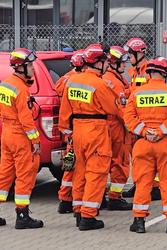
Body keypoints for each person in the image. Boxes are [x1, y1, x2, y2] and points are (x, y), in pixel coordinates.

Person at [58, 44, 120, 231]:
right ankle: (88, 217)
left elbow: (64, 114)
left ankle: (78, 210)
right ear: (98, 64)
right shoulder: (99, 84)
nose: (107, 66)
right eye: (105, 63)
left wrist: (68, 134)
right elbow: (113, 109)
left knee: (79, 173)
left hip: (78, 132)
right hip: (96, 131)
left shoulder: (73, 82)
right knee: (96, 173)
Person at [124, 56, 167, 234]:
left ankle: (139, 221)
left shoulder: (136, 93)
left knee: (143, 183)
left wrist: (145, 132)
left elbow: (129, 119)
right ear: (165, 73)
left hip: (143, 144)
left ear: (148, 73)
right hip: (166, 143)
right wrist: (159, 132)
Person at [0, 48, 43, 229]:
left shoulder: (5, 84)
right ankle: (22, 216)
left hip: (7, 134)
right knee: (25, 175)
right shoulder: (21, 89)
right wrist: (35, 141)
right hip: (20, 135)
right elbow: (26, 119)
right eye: (30, 65)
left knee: (4, 174)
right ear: (21, 67)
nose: (33, 68)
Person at [122, 37, 161, 201]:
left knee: (151, 155)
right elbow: (134, 91)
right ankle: (140, 183)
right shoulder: (135, 72)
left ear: (139, 53)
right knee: (137, 155)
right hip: (137, 119)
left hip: (146, 118)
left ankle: (156, 187)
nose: (128, 57)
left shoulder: (148, 71)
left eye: (130, 54)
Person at [102, 46, 132, 210]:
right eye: (122, 63)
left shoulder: (108, 77)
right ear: (113, 63)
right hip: (117, 126)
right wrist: (132, 125)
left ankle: (100, 196)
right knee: (120, 161)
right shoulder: (114, 81)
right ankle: (115, 197)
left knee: (104, 162)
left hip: (106, 125)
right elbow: (121, 108)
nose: (125, 66)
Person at [55, 50, 85, 214]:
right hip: (79, 128)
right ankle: (76, 203)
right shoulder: (78, 81)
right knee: (79, 167)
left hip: (69, 128)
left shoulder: (64, 79)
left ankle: (65, 200)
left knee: (69, 165)